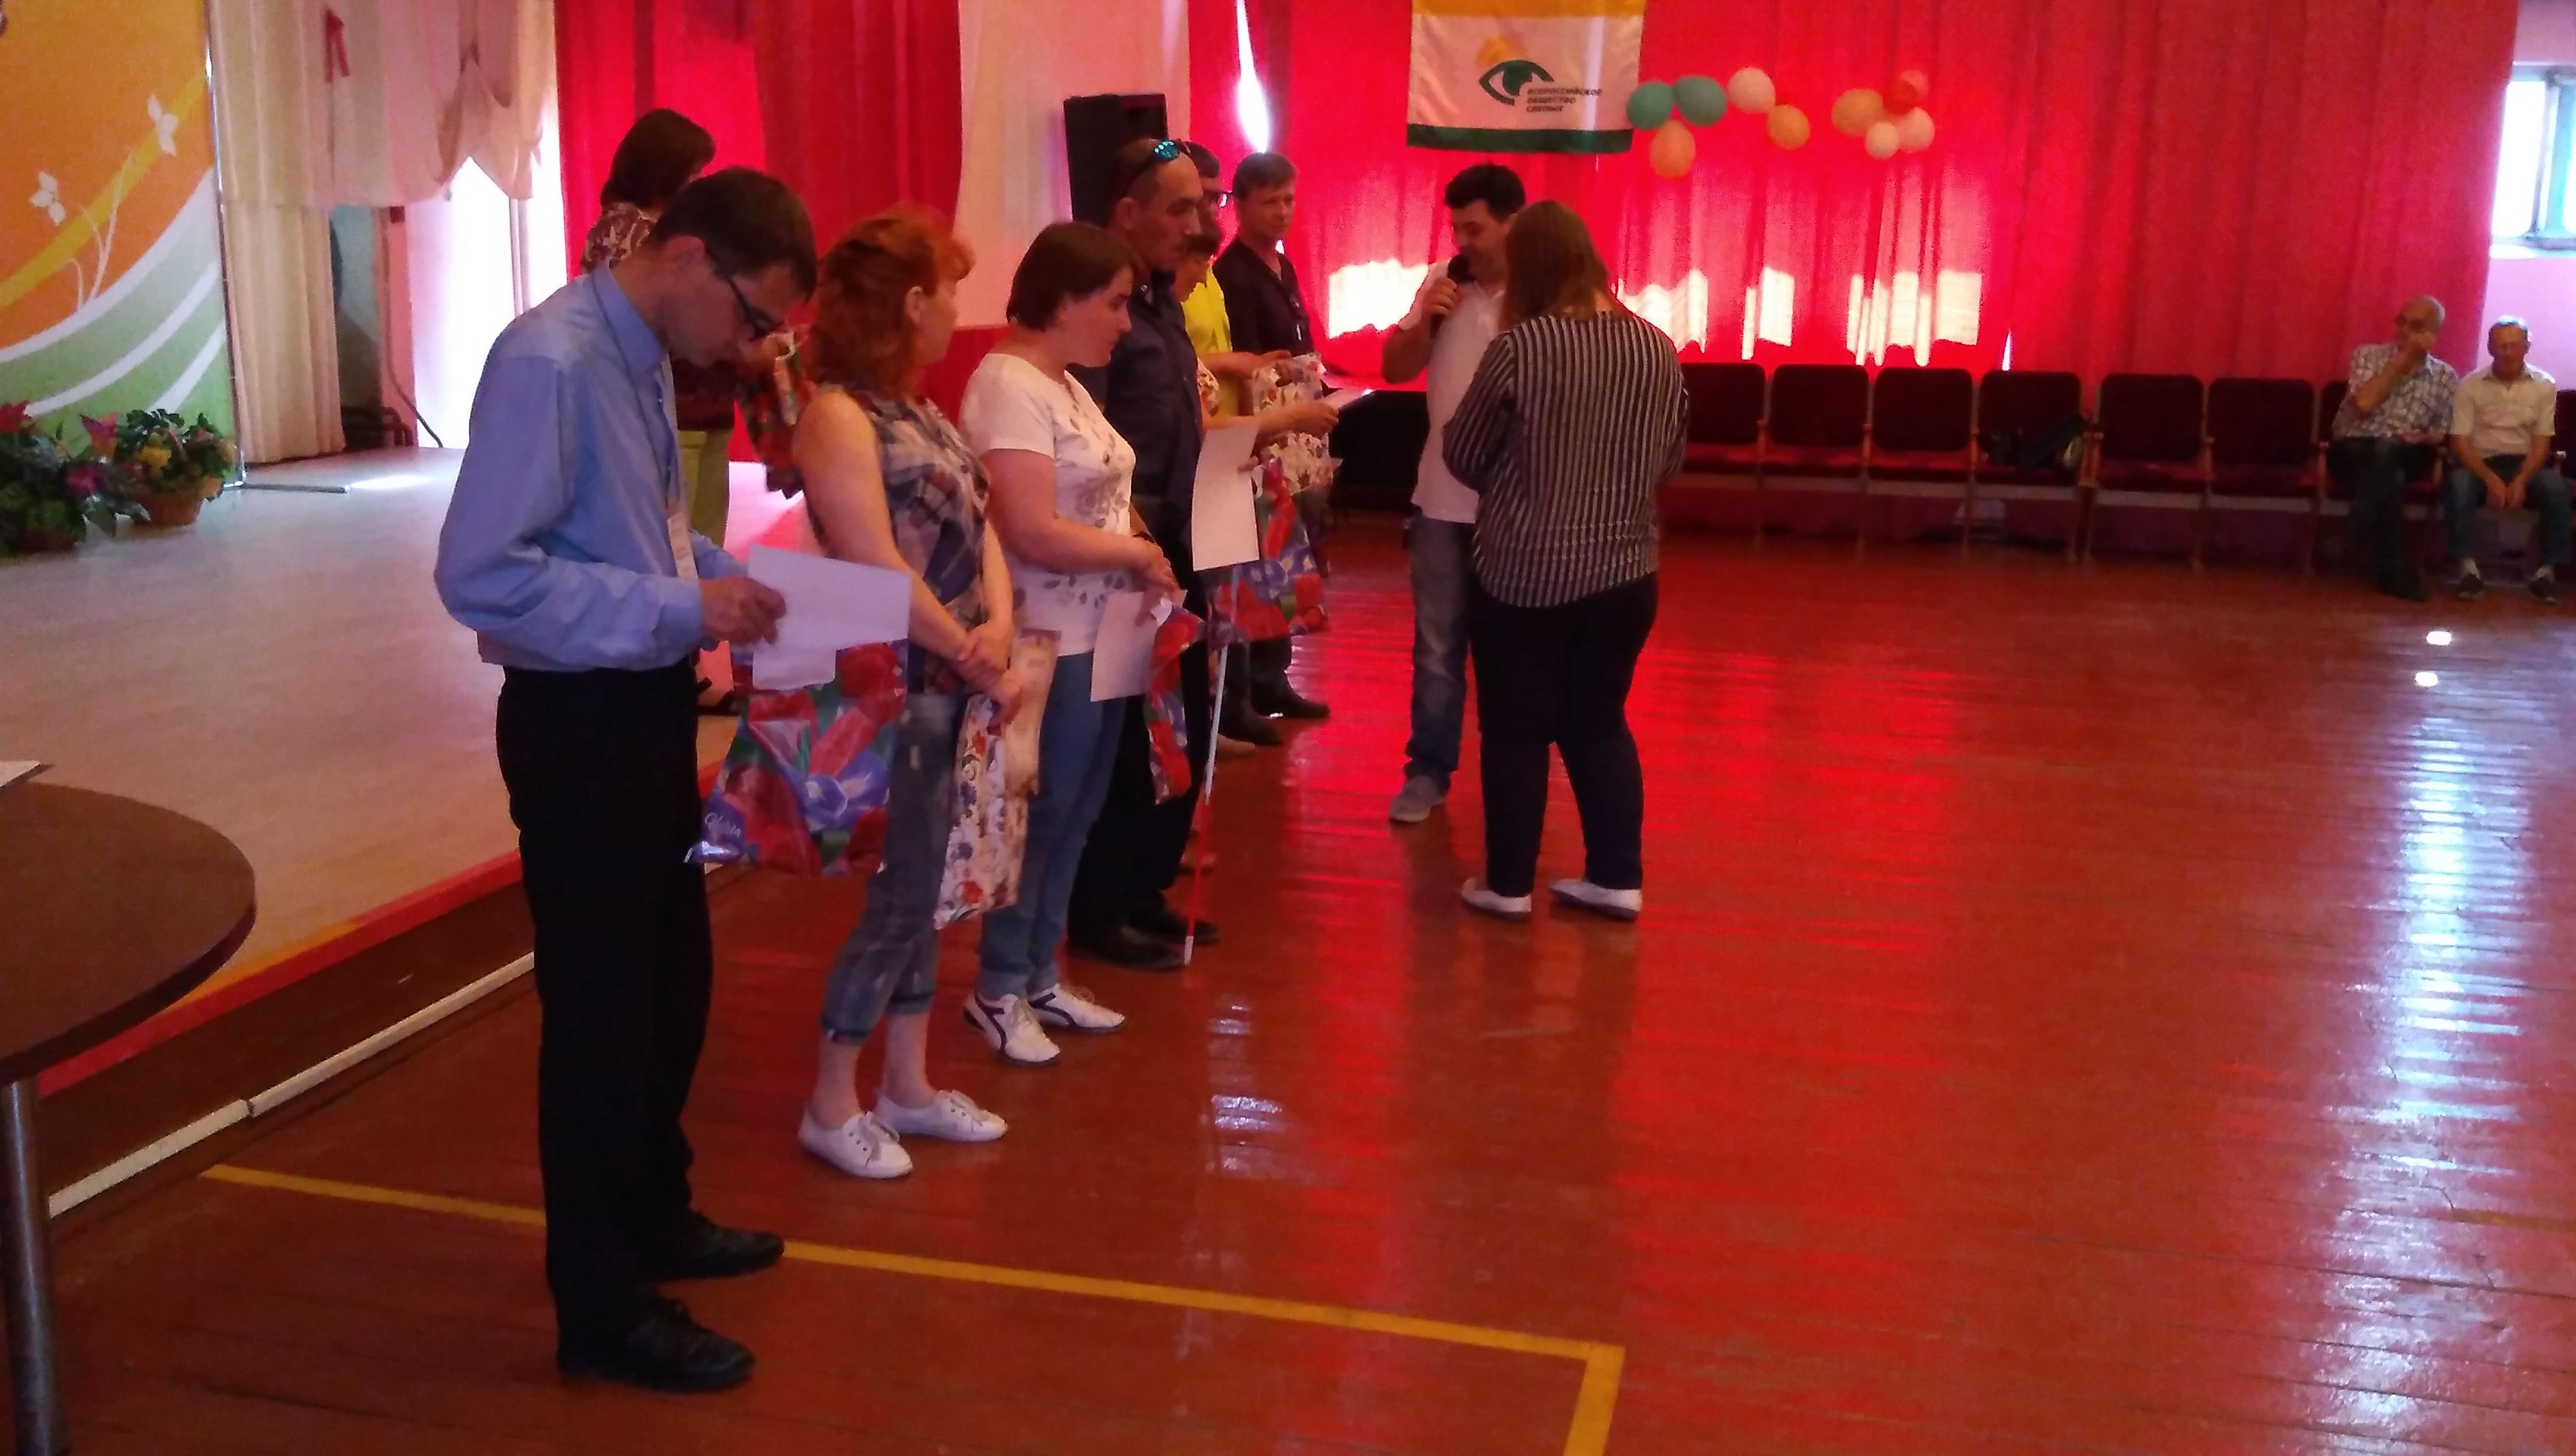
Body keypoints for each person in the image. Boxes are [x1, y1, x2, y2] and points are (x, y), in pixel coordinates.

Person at [433, 167, 814, 1394]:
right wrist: (683, 605)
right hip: (578, 723)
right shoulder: (549, 361)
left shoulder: (642, 352)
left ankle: (653, 1212)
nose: (750, 349)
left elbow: (640, 529)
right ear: (690, 256)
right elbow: (484, 578)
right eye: (753, 317)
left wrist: (724, 577)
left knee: (669, 988)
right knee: (600, 1020)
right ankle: (600, 1306)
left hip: (642, 706)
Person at [790, 209, 1024, 1177]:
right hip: (901, 685)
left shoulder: (917, 410)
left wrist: (998, 626)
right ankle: (830, 1098)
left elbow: (984, 523)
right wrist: (974, 651)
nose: (958, 311)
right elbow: (871, 563)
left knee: (931, 892)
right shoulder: (838, 416)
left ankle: (908, 1085)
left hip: (957, 676)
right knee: (900, 897)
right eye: (950, 291)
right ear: (913, 301)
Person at [961, 222, 1183, 1062]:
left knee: (1080, 809)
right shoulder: (1007, 384)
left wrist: (1146, 554)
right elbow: (1029, 527)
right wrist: (1134, 555)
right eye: (1115, 304)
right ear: (1063, 300)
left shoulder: (1066, 385)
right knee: (1036, 813)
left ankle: (1037, 972)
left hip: (1104, 628)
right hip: (1045, 636)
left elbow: (1108, 498)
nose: (1125, 324)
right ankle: (997, 985)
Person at [1441, 201, 1687, 924]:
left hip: (1523, 574)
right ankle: (1615, 877)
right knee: (1598, 723)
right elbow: (1669, 460)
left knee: (1515, 730)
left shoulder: (1521, 347)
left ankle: (1508, 885)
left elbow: (1463, 454)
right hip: (1627, 573)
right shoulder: (1656, 347)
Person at [1063, 136, 1222, 972]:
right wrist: (1138, 537)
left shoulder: (1162, 305)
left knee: (1178, 726)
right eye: (1179, 208)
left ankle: (1144, 888)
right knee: (1128, 740)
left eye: (1200, 206)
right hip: (1128, 553)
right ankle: (1102, 907)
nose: (1195, 225)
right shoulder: (1101, 311)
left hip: (1181, 549)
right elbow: (1087, 448)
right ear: (1127, 213)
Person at [581, 108, 744, 713]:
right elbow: (645, 329)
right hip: (668, 411)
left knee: (696, 543)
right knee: (667, 544)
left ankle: (686, 667)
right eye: (693, 172)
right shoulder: (627, 234)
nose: (699, 183)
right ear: (662, 168)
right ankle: (673, 667)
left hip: (703, 408)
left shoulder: (666, 232)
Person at [1380, 163, 1524, 825]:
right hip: (1439, 499)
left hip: (1517, 505)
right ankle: (1427, 770)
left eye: (1476, 229)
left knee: (1511, 649)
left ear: (1512, 223)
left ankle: (1512, 775)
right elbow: (1394, 368)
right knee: (1437, 649)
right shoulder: (1443, 282)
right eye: (1456, 229)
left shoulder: (1542, 292)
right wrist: (1427, 325)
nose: (1463, 242)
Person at [1213, 150, 1331, 730]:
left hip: (1293, 424)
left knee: (1289, 553)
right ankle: (1254, 683)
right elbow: (1249, 361)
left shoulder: (1282, 265)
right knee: (1262, 556)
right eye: (1270, 202)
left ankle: (1275, 674)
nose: (1283, 212)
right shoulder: (1232, 273)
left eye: (1289, 200)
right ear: (1240, 204)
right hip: (1260, 428)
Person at [2328, 297, 2461, 602]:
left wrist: (2423, 438)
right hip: (2354, 449)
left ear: (2434, 334)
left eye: (2416, 326)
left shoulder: (2445, 377)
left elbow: (2443, 431)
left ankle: (2356, 527)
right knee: (2389, 472)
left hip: (2409, 452)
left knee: (2389, 456)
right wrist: (2401, 363)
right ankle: (2392, 572)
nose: (2404, 331)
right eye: (2401, 322)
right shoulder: (2368, 356)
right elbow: (2364, 404)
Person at [2443, 318, 2565, 604]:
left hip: (2525, 464)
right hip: (2480, 463)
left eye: (2514, 346)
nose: (2508, 353)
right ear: (2490, 348)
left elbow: (2541, 442)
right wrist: (2490, 479)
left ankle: (2546, 573)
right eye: (2501, 346)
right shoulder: (2470, 385)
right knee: (2458, 485)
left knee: (2556, 488)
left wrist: (2522, 480)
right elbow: (2460, 441)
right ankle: (2467, 570)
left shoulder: (2545, 385)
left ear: (2527, 348)